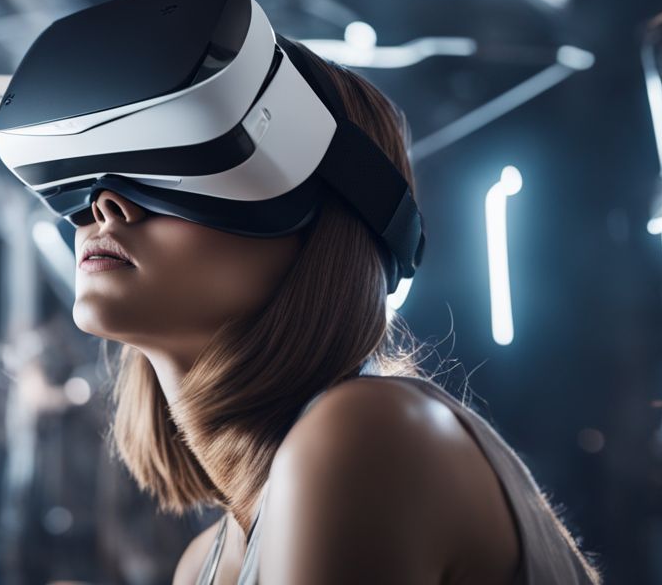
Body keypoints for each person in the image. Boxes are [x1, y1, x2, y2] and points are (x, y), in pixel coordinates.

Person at [70, 38, 603, 585]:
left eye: (187, 160)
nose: (102, 203)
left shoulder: (367, 434)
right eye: (100, 171)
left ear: (326, 219)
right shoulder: (203, 562)